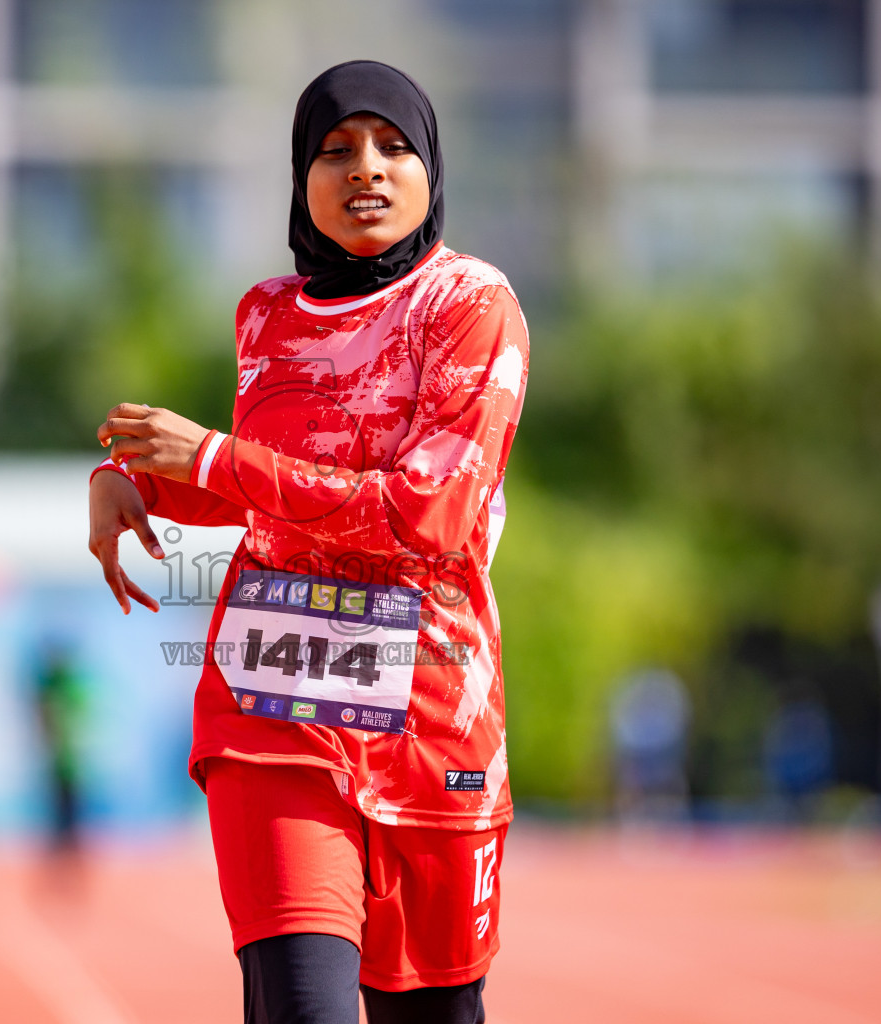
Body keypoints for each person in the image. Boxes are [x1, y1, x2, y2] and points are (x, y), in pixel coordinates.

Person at [87, 60, 529, 1024]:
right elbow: (270, 493)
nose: (363, 169)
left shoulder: (471, 306)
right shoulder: (267, 316)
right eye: (334, 150)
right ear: (301, 178)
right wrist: (136, 486)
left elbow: (430, 516)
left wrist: (210, 458)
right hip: (273, 703)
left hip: (431, 716)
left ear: (430, 170)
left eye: (392, 147)